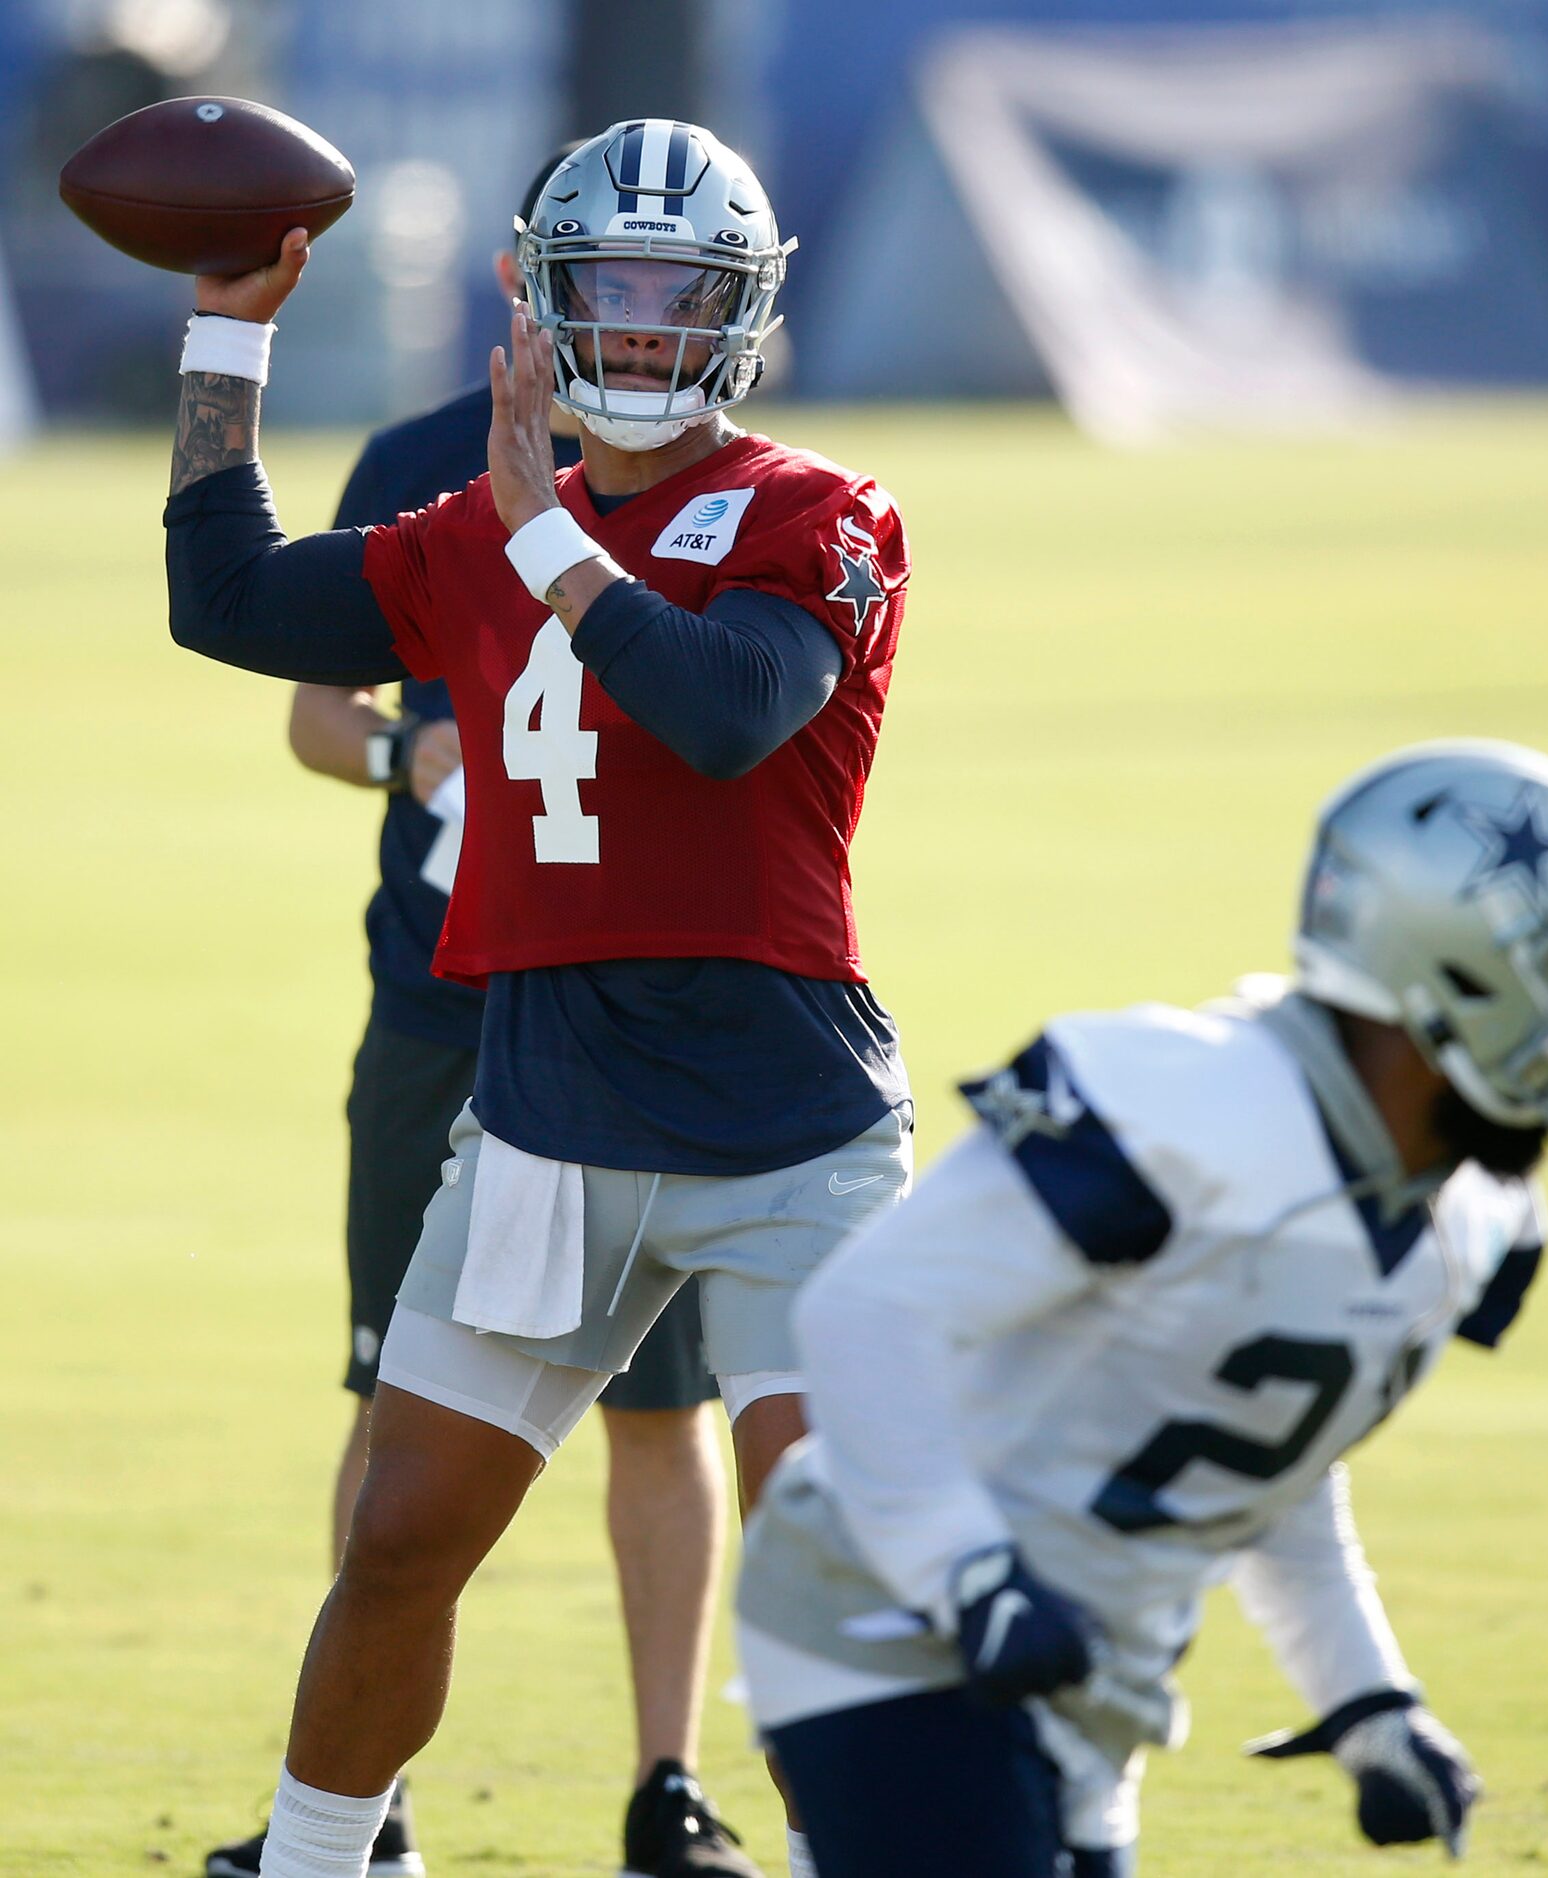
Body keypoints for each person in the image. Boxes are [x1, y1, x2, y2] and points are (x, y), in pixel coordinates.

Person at [163, 118, 910, 1878]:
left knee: (833, 1547)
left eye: (680, 294)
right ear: (542, 297)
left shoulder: (822, 511)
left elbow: (727, 709)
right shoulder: (478, 522)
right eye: (610, 289)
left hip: (782, 1121)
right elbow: (228, 602)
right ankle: (316, 1855)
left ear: (740, 311)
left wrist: (548, 548)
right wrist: (225, 334)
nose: (642, 329)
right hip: (549, 1113)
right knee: (405, 1541)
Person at [736, 740, 1548, 1878]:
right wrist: (964, 1573)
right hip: (882, 1620)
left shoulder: (1470, 1218)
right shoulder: (1185, 1104)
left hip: (1086, 1669)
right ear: (1449, 970)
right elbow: (863, 1316)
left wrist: (1368, 1697)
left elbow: (1271, 1456)